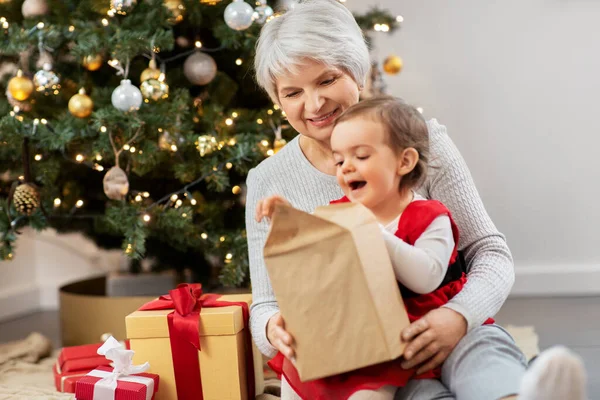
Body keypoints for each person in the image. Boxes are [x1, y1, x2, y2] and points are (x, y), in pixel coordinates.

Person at [246, 1, 586, 399]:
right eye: (292, 92)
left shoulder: (421, 141)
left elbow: (489, 252)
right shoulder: (268, 180)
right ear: (277, 99)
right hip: (369, 355)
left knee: (485, 356)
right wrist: (274, 329)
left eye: (326, 80)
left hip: (451, 321)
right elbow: (265, 304)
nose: (314, 104)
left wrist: (457, 317)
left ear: (356, 72)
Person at [255, 96, 486, 399]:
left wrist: (372, 232)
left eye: (361, 156)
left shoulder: (429, 215)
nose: (346, 168)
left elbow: (426, 278)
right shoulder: (340, 211)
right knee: (295, 371)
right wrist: (285, 216)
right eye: (339, 161)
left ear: (404, 162)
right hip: (339, 328)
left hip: (389, 341)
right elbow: (313, 247)